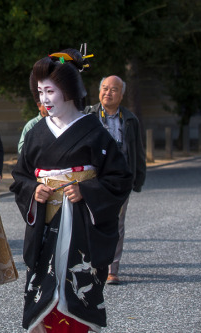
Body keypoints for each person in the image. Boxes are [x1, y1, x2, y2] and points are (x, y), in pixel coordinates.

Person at [10, 49, 132, 332]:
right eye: (40, 91)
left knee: (77, 288)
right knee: (43, 292)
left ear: (70, 90)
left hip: (81, 226)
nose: (44, 99)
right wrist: (33, 191)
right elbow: (20, 176)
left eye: (50, 91)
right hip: (46, 225)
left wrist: (87, 191)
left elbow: (120, 177)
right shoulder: (36, 133)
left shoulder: (95, 132)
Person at [84, 75, 146, 285]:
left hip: (119, 178)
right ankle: (90, 264)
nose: (108, 93)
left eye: (113, 89)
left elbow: (137, 151)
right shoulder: (88, 115)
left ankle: (112, 269)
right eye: (104, 88)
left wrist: (137, 179)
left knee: (117, 223)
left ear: (122, 94)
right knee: (89, 219)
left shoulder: (129, 119)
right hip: (92, 177)